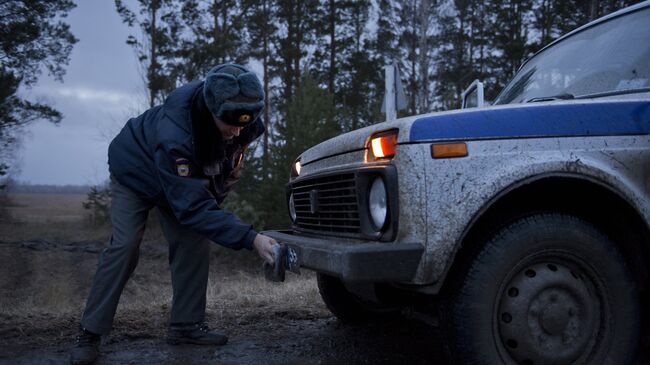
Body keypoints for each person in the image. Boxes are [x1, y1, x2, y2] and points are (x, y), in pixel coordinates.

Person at [69, 64, 278, 365]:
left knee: (193, 240)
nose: (237, 131)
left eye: (243, 124)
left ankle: (186, 326)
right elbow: (192, 206)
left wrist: (213, 209)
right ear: (210, 108)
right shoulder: (176, 134)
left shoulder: (243, 121)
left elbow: (218, 176)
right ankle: (89, 332)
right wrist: (250, 238)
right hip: (136, 171)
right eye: (229, 124)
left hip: (179, 181)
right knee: (125, 246)